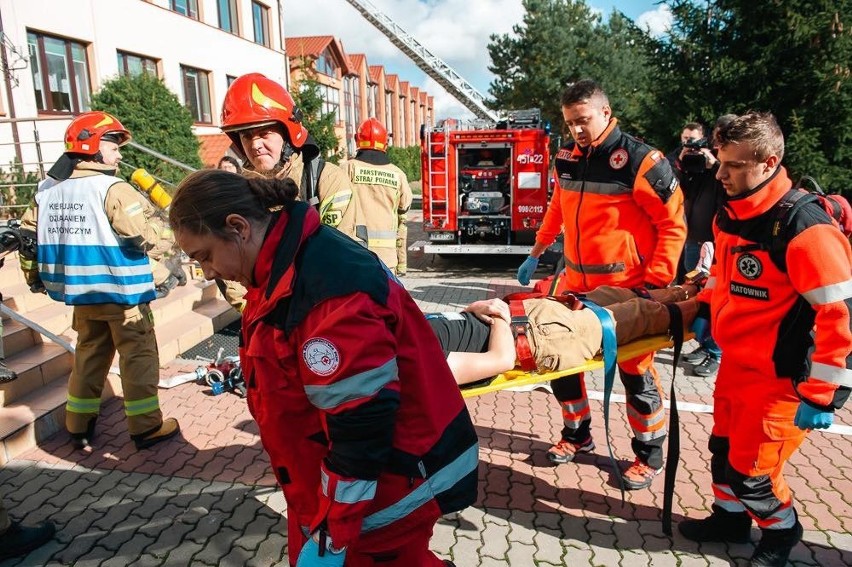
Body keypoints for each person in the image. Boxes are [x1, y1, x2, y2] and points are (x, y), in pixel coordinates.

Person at [168, 170, 476, 567]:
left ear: (238, 227)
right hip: (339, 488)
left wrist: (334, 531)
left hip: (388, 486)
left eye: (205, 256)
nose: (208, 272)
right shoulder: (285, 264)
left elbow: (361, 427)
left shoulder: (324, 290)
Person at [678, 112, 852, 566]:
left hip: (780, 380)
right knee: (722, 452)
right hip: (737, 367)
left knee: (753, 474)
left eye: (734, 165)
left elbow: (841, 318)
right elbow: (725, 278)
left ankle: (781, 533)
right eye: (720, 162)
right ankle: (729, 520)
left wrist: (822, 395)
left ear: (769, 162)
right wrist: (707, 312)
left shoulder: (805, 229)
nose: (721, 174)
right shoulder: (732, 215)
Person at [515, 79, 686, 490]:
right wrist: (538, 250)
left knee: (635, 372)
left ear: (606, 113)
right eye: (571, 122)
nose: (577, 130)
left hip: (626, 292)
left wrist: (656, 285)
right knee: (561, 360)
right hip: (575, 285)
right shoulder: (568, 157)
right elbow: (559, 205)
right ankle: (578, 434)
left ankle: (650, 453)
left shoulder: (642, 161)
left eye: (584, 120)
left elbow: (673, 225)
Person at [19, 111, 181, 451]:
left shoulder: (47, 190)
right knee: (138, 356)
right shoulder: (113, 188)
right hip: (123, 296)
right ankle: (146, 427)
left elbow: (28, 240)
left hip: (81, 294)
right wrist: (173, 239)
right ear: (93, 147)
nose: (119, 154)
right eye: (114, 146)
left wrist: (34, 279)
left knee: (90, 355)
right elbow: (144, 235)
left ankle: (78, 424)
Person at [217, 73, 365, 311]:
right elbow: (228, 268)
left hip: (323, 314)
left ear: (288, 133)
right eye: (246, 135)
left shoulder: (325, 181)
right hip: (265, 322)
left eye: (264, 133)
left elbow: (343, 258)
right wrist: (261, 315)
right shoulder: (237, 194)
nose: (255, 145)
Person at [427, 284, 699, 386]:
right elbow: (501, 360)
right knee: (640, 314)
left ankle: (691, 289)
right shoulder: (411, 365)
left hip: (526, 316)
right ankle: (709, 305)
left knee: (619, 295)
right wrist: (499, 315)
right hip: (540, 337)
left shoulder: (390, 333)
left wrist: (474, 307)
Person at [670, 117, 735, 377]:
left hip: (714, 242)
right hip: (692, 239)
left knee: (715, 297)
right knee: (698, 294)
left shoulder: (721, 168)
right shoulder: (684, 163)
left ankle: (715, 353)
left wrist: (714, 165)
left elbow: (728, 196)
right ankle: (704, 344)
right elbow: (677, 190)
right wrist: (683, 164)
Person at [345, 118, 413, 275]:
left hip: (352, 254)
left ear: (357, 140)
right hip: (386, 259)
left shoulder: (345, 170)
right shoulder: (398, 174)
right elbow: (405, 208)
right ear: (386, 144)